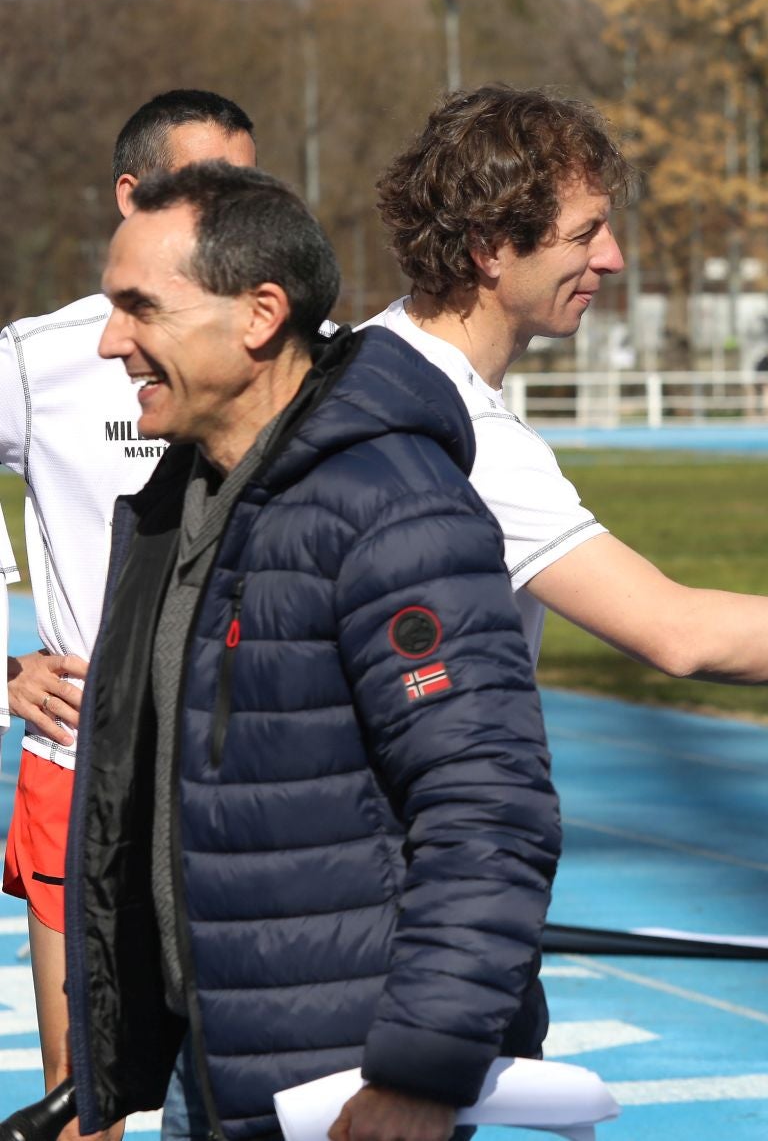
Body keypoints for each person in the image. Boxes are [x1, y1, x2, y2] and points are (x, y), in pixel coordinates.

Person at [66, 161, 561, 1141]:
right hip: (215, 1065)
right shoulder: (181, 499)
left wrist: (419, 1071)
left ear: (258, 315)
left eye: (139, 309)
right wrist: (117, 1066)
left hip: (346, 1089)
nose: (109, 341)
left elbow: (486, 803)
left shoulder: (389, 502)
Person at [366, 84, 768, 683]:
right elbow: (680, 633)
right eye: (585, 233)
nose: (613, 258)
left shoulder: (361, 358)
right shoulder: (466, 436)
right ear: (489, 248)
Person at [0, 89, 256, 1135]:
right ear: (129, 196)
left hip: (248, 763)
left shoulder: (292, 345)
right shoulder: (42, 356)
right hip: (86, 762)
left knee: (249, 1079)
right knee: (87, 1086)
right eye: (203, 184)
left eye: (244, 186)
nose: (226, 207)